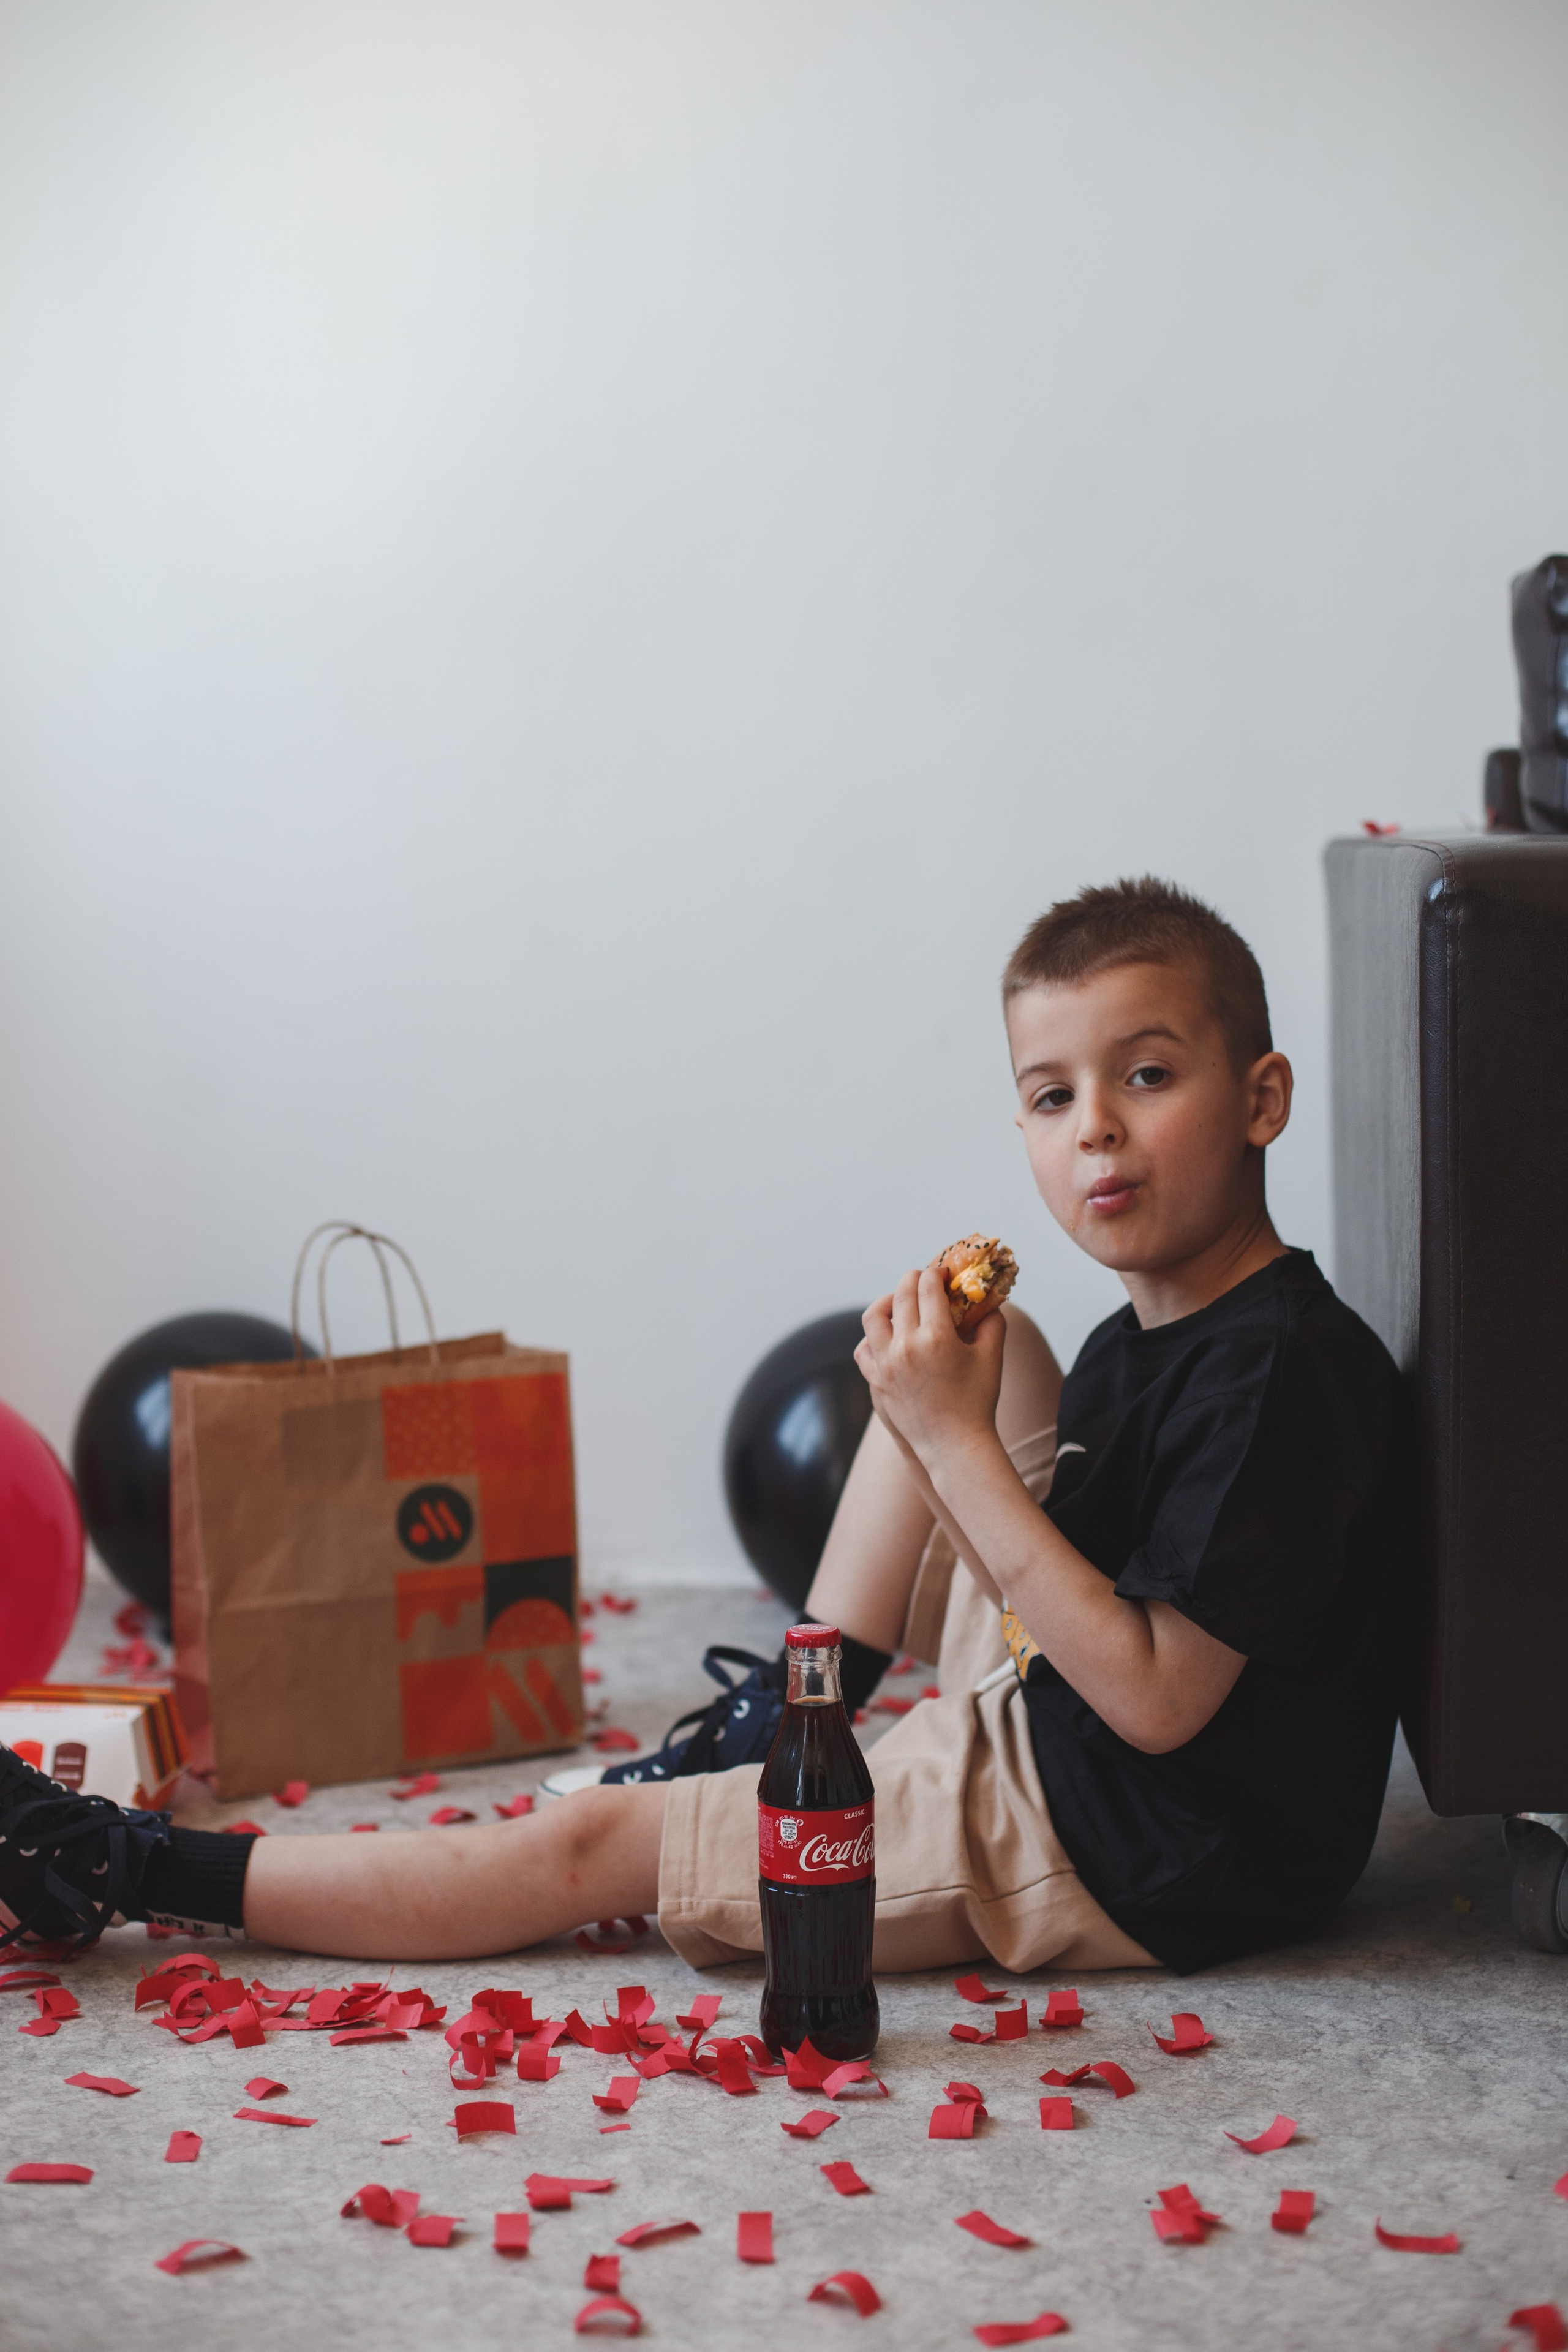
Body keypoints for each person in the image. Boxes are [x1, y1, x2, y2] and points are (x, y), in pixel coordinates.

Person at [0, 878, 1409, 1975]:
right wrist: (945, 1415)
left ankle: (120, 1864)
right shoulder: (1142, 1332)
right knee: (997, 1343)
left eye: (1146, 1077)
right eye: (1051, 1096)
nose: (1093, 1131)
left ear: (1260, 1100)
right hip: (1066, 1725)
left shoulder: (1280, 1375)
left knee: (588, 1843)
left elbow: (1156, 1702)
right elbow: (1067, 1611)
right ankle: (780, 1715)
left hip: (1130, 1848)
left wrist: (951, 1444)